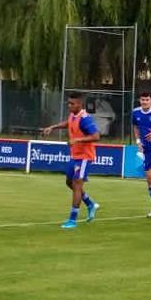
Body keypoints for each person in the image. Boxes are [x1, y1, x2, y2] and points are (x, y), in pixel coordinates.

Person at [42, 93, 101, 229]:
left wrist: (77, 140)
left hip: (84, 157)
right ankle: (90, 203)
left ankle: (72, 220)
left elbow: (96, 136)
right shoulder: (73, 115)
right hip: (75, 155)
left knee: (77, 184)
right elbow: (68, 123)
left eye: (72, 104)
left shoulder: (85, 119)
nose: (69, 106)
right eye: (68, 103)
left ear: (80, 104)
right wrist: (53, 127)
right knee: (69, 182)